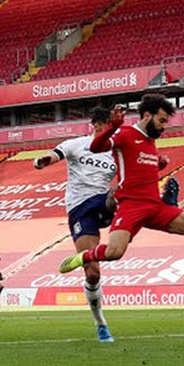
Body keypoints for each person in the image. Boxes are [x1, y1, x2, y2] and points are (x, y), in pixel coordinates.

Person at [58, 94, 184, 289]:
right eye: (161, 120)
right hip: (131, 206)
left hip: (154, 206)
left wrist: (158, 166)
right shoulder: (125, 134)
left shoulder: (150, 142)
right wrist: (113, 126)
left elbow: (139, 173)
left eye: (165, 122)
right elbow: (95, 147)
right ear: (146, 116)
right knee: (114, 252)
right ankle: (82, 257)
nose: (163, 126)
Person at [34, 107, 118, 343]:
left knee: (118, 193)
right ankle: (101, 323)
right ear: (94, 125)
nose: (104, 129)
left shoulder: (114, 151)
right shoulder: (76, 144)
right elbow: (55, 154)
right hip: (80, 209)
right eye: (101, 125)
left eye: (109, 126)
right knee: (92, 272)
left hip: (104, 201)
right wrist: (43, 161)